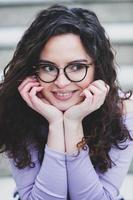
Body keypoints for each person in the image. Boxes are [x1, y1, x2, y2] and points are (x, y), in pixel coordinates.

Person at [0, 4, 133, 200]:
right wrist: (56, 124)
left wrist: (72, 124)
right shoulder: (16, 106)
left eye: (77, 67)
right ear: (33, 70)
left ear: (98, 67)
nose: (61, 83)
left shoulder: (122, 110)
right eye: (48, 68)